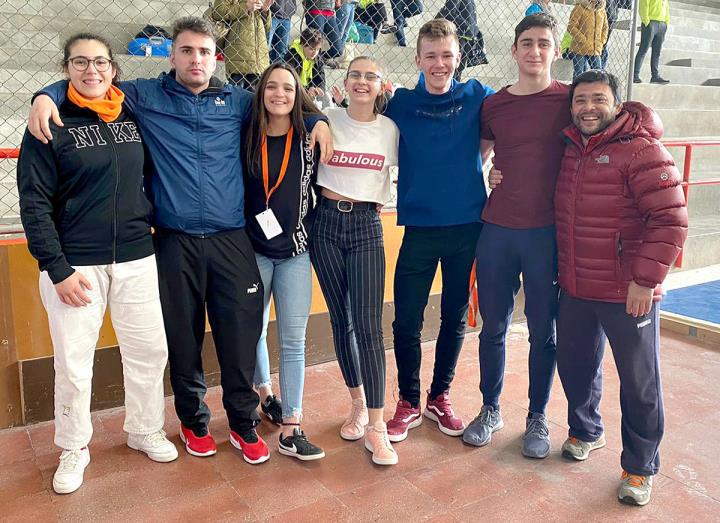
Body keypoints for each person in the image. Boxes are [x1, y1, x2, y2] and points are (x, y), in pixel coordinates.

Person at [27, 16, 332, 466]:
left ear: (216, 58)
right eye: (187, 51)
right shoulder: (145, 95)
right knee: (182, 340)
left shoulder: (238, 101)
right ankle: (193, 421)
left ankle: (244, 423)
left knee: (239, 335)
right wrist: (42, 95)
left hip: (231, 239)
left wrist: (319, 117)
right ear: (171, 56)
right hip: (173, 241)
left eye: (205, 52)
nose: (196, 59)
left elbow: (282, 100)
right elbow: (90, 80)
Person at [17, 33, 178, 495]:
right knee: (73, 363)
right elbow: (34, 202)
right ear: (65, 67)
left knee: (149, 351)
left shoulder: (131, 112)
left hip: (136, 255)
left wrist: (146, 215)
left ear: (113, 68)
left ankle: (144, 427)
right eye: (80, 62)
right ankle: (74, 445)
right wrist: (57, 268)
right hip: (76, 265)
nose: (92, 71)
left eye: (101, 62)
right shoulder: (49, 120)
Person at [554, 70, 687, 506]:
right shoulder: (571, 147)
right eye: (580, 101)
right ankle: (586, 430)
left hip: (627, 291)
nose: (588, 107)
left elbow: (670, 220)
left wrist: (645, 281)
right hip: (576, 285)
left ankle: (638, 466)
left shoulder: (643, 150)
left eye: (598, 99)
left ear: (616, 104)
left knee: (638, 380)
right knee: (575, 366)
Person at [463, 13, 571, 459]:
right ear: (514, 50)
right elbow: (478, 155)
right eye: (527, 43)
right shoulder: (495, 105)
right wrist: (489, 176)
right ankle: (490, 408)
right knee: (494, 326)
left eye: (543, 44)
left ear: (555, 51)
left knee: (543, 330)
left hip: (545, 233)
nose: (534, 51)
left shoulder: (569, 100)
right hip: (498, 230)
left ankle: (538, 415)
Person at [383, 19, 494, 443]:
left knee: (453, 317)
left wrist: (491, 168)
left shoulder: (476, 95)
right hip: (419, 229)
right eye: (430, 55)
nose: (439, 63)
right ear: (418, 60)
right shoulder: (401, 103)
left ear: (458, 57)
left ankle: (439, 395)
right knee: (406, 318)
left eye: (446, 55)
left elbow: (508, 131)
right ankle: (409, 400)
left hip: (467, 226)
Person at [311, 56, 399, 465]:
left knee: (368, 326)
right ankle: (357, 403)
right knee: (338, 320)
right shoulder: (326, 118)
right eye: (356, 75)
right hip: (325, 223)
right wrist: (319, 118)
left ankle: (377, 427)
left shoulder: (391, 131)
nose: (363, 82)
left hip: (366, 225)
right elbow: (294, 109)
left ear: (383, 85)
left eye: (371, 76)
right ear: (344, 83)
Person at [243, 63, 326, 461]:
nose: (280, 94)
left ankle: (292, 426)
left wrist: (321, 117)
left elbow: (321, 114)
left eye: (289, 89)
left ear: (298, 95)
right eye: (271, 87)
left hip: (295, 253)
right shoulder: (245, 133)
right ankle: (265, 395)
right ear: (260, 93)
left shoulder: (309, 134)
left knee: (293, 341)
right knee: (254, 330)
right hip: (252, 251)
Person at [213, 0, 273, 91]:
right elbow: (218, 12)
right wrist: (245, 7)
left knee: (255, 98)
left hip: (259, 57)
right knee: (237, 94)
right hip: (239, 54)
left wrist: (265, 10)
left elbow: (267, 27)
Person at [436, 0, 488, 81]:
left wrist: (475, 31)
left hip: (467, 37)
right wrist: (466, 27)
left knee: (460, 68)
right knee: (454, 68)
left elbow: (471, 17)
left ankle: (455, 89)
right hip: (459, 37)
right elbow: (448, 12)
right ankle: (449, 89)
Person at [568, 0, 608, 80]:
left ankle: (596, 91)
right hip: (580, 49)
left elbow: (605, 27)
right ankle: (576, 91)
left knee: (599, 75)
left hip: (595, 49)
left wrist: (602, 40)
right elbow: (571, 26)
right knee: (579, 74)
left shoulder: (601, 9)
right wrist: (583, 39)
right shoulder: (580, 7)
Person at [283, 28, 327, 99]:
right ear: (303, 44)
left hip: (309, 91)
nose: (315, 53)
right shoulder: (292, 57)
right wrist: (306, 91)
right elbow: (290, 82)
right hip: (294, 92)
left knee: (326, 98)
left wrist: (319, 88)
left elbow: (321, 77)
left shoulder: (317, 58)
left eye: (317, 49)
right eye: (311, 49)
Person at [633, 0, 670, 84]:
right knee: (643, 50)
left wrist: (666, 23)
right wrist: (647, 22)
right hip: (651, 23)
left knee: (657, 52)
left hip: (662, 24)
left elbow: (666, 8)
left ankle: (655, 76)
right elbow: (643, 6)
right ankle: (635, 75)